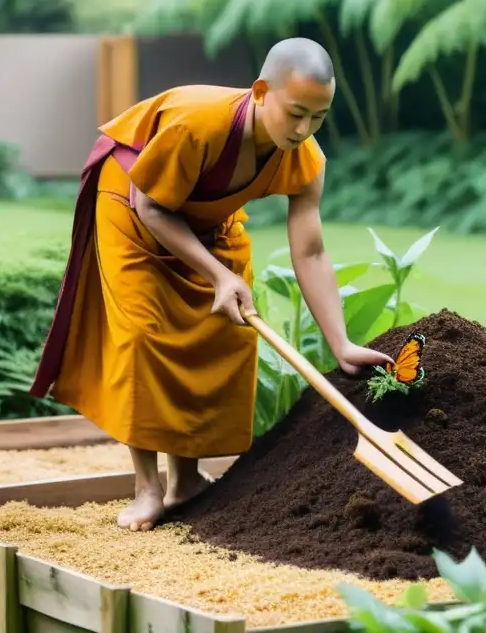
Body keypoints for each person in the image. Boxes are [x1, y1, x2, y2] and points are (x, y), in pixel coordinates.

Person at [29, 37, 393, 531]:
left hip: (204, 222)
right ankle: (147, 487)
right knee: (144, 335)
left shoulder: (306, 159)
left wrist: (341, 344)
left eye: (320, 117)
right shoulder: (199, 124)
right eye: (296, 113)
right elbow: (152, 206)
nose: (304, 129)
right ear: (262, 91)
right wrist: (219, 275)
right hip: (135, 208)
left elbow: (310, 251)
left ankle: (187, 481)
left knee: (221, 333)